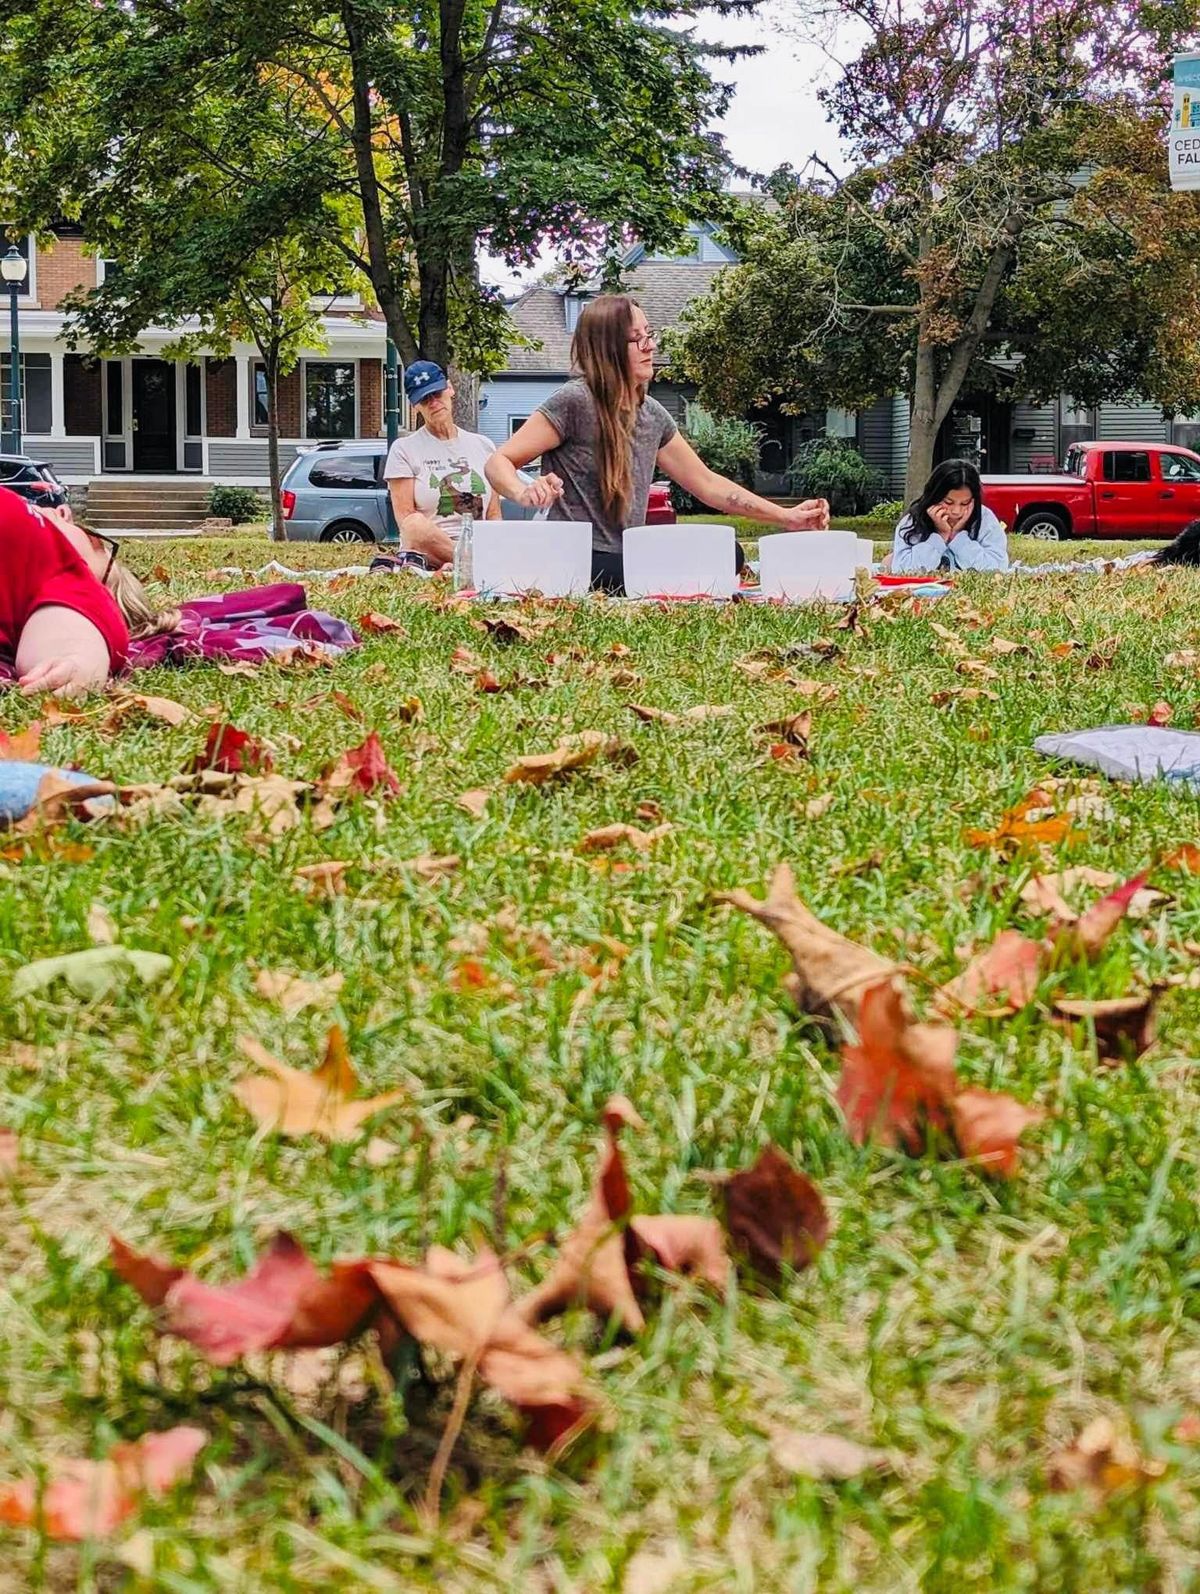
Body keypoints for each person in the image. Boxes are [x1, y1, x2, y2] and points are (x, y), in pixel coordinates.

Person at [483, 295, 830, 591]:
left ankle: (649, 581)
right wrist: (522, 492)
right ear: (608, 349)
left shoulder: (652, 415)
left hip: (630, 554)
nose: (650, 347)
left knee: (729, 552)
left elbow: (708, 484)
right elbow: (498, 462)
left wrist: (787, 516)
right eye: (637, 339)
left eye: (650, 335)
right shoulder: (574, 401)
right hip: (576, 557)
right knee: (629, 573)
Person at [0, 487, 177, 696]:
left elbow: (72, 635)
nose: (63, 511)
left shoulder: (65, 578)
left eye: (94, 542)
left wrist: (75, 660)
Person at [383, 361, 500, 568]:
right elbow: (405, 520)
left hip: (479, 544)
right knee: (413, 524)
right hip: (430, 549)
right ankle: (468, 563)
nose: (434, 402)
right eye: (424, 399)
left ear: (450, 388)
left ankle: (470, 562)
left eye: (437, 393)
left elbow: (493, 515)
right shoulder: (404, 449)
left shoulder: (483, 445)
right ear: (414, 405)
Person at [890, 460, 1009, 573]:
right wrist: (940, 536)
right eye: (948, 502)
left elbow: (997, 569)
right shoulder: (913, 521)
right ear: (934, 497)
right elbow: (902, 570)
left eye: (965, 503)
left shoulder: (984, 520)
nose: (956, 511)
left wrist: (958, 538)